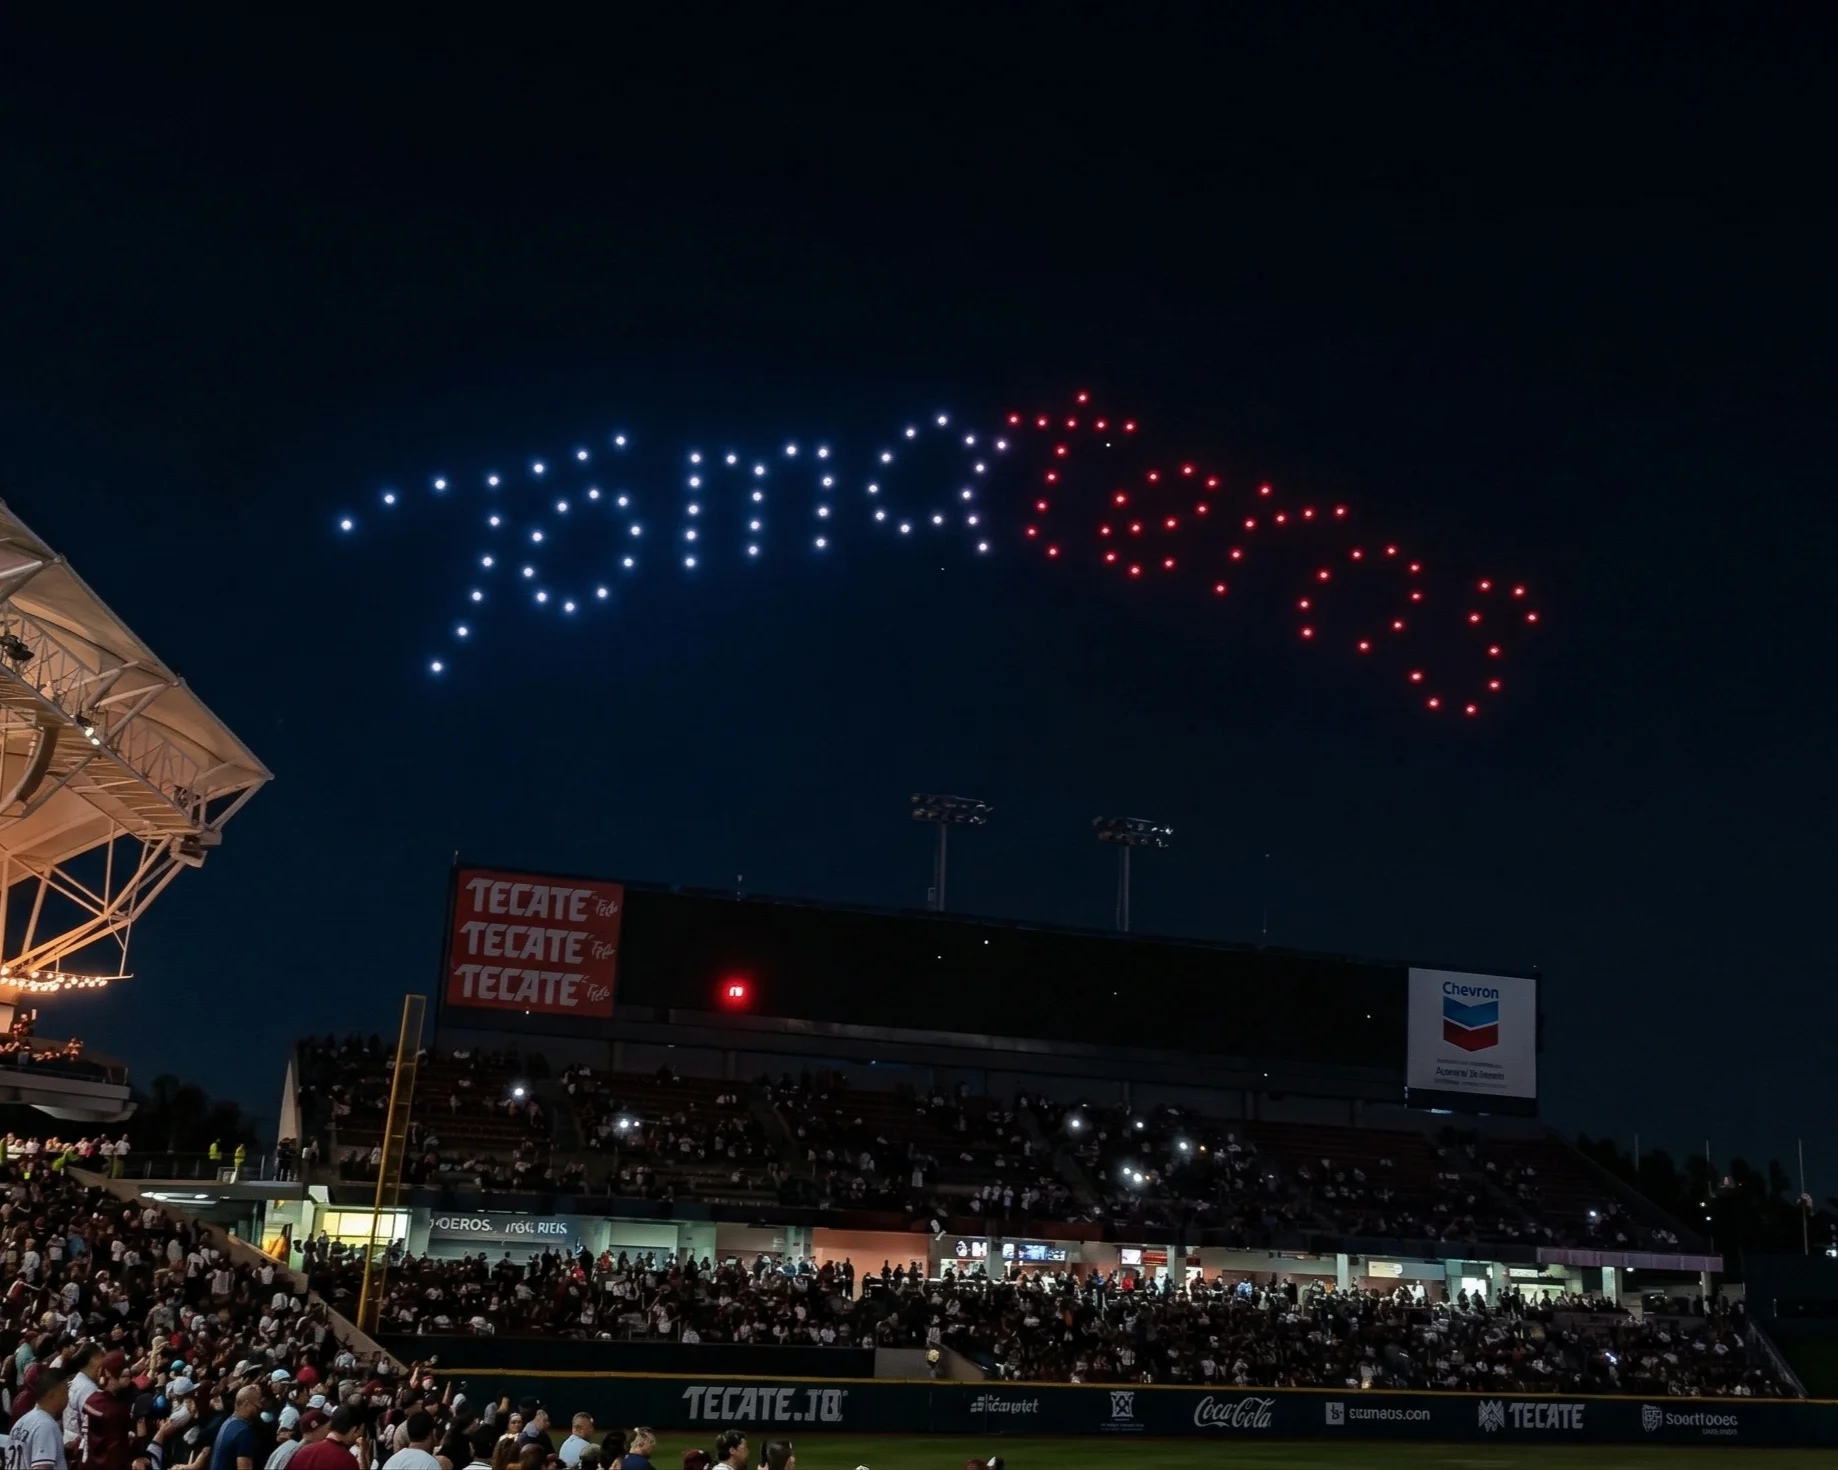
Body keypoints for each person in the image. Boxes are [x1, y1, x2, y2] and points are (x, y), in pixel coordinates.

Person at [14, 1367, 71, 1470]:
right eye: (66, 1390)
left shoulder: (21, 1421)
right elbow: (42, 1467)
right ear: (52, 1394)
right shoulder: (46, 1425)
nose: (68, 1396)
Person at [286, 1408, 363, 1470]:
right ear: (354, 1430)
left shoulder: (302, 1452)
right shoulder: (347, 1460)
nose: (360, 1435)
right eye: (361, 1431)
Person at [210, 1386, 263, 1470]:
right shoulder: (244, 1432)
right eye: (257, 1406)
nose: (259, 1410)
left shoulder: (228, 1423)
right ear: (246, 1404)